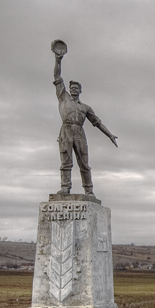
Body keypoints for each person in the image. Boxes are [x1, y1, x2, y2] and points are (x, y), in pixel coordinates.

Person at [52, 44, 117, 196]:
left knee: (84, 163)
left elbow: (98, 123)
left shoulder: (86, 107)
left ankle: (89, 190)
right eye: (72, 87)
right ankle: (65, 187)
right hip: (66, 130)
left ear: (80, 91)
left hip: (79, 132)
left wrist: (110, 135)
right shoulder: (63, 97)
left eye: (76, 88)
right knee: (65, 161)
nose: (73, 89)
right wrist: (58, 60)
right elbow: (57, 77)